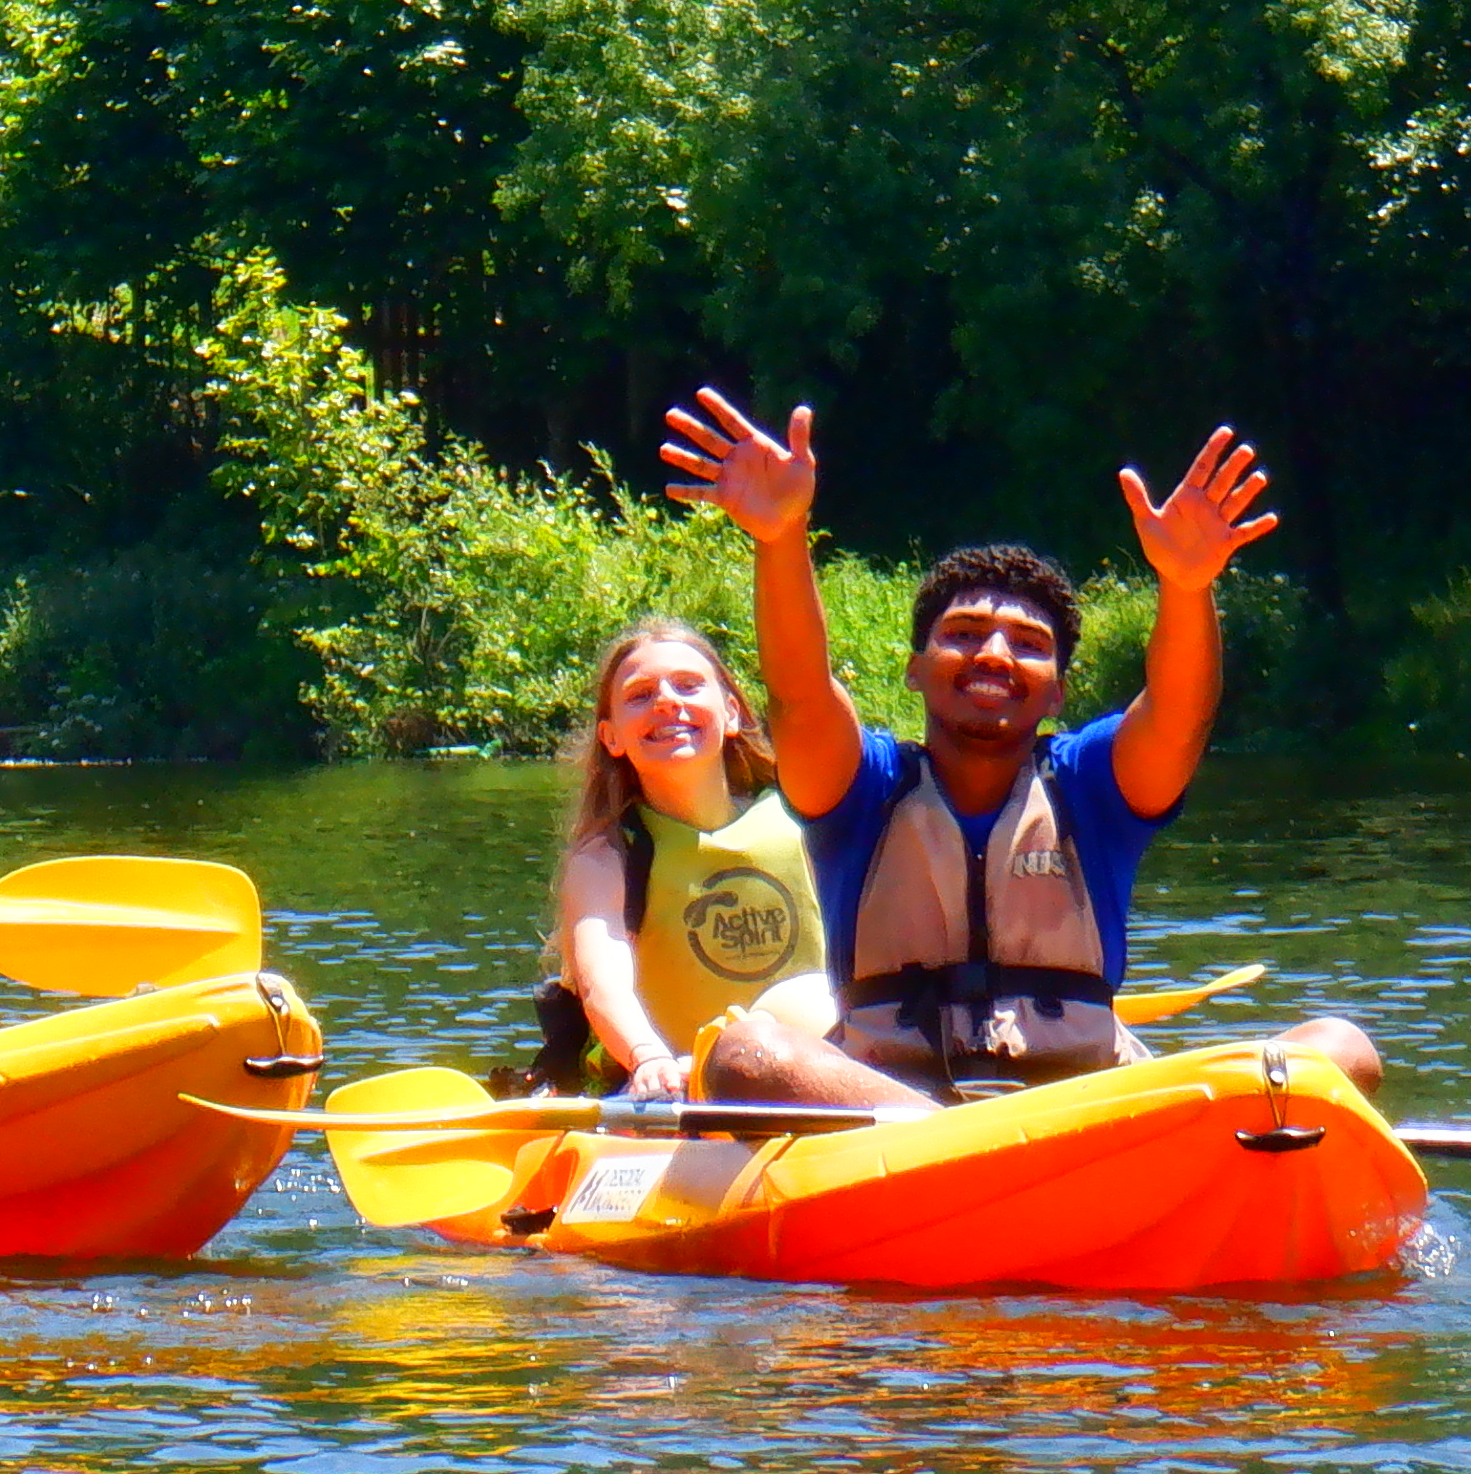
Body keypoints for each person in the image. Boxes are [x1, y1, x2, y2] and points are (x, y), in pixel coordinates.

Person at [656, 387, 1380, 1110]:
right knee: (748, 1053)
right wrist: (781, 539)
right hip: (890, 1113)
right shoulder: (863, 788)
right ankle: (952, 1141)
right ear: (914, 669)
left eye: (1028, 645)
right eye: (964, 633)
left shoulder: (1092, 787)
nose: (994, 654)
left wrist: (1187, 585)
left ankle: (1034, 1153)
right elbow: (800, 696)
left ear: (1057, 693)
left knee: (1341, 1049)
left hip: (1084, 1110)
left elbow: (1180, 717)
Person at [528, 616, 833, 1100]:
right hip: (673, 1089)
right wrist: (646, 1055)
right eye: (640, 695)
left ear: (731, 713)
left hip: (817, 1066)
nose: (668, 701)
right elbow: (602, 986)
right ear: (611, 738)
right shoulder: (608, 855)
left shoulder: (804, 816)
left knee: (809, 998)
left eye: (689, 686)